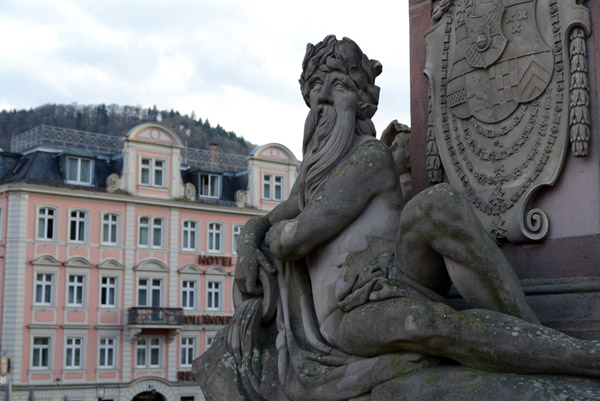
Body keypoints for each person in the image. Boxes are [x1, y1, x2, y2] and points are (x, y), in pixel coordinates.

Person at [234, 34, 600, 378]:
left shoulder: (370, 157)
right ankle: (571, 355)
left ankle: (537, 340)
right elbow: (272, 223)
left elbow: (293, 238)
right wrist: (249, 242)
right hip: (349, 312)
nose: (324, 99)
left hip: (396, 274)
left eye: (339, 85)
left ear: (362, 101)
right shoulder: (311, 176)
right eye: (315, 87)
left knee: (437, 203)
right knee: (430, 324)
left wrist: (279, 234)